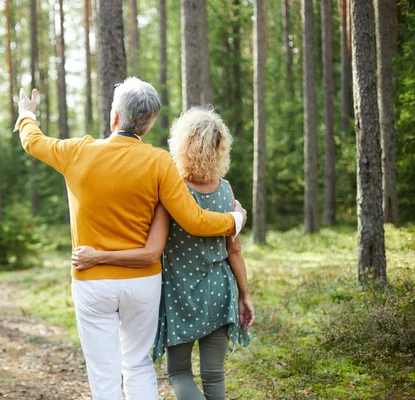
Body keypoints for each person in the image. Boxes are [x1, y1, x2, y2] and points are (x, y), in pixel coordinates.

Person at [15, 78, 247, 400]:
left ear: (114, 117)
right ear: (150, 123)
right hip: (143, 282)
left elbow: (32, 141)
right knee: (137, 366)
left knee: (104, 374)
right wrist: (234, 220)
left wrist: (26, 114)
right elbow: (195, 220)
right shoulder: (159, 162)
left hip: (91, 280)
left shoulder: (76, 152)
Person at [71, 106, 254, 400]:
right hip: (220, 290)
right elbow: (235, 251)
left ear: (182, 145)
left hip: (179, 294)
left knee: (180, 373)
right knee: (214, 376)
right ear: (221, 148)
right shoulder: (227, 192)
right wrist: (244, 295)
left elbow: (151, 249)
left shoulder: (171, 191)